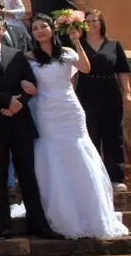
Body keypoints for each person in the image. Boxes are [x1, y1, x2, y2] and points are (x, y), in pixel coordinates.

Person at [25, 14, 128, 239]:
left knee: (79, 151)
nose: (40, 30)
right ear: (32, 33)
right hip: (47, 110)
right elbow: (22, 79)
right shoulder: (29, 57)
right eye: (35, 28)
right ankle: (61, 212)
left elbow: (85, 68)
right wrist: (24, 82)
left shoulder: (67, 53)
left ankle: (91, 210)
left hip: (70, 108)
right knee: (53, 153)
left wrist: (77, 40)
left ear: (52, 29)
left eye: (44, 26)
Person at [0, 13, 58, 240]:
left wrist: (18, 103)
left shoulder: (16, 55)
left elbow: (30, 83)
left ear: (4, 30)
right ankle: (2, 225)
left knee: (28, 175)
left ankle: (38, 224)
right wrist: (7, 101)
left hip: (20, 123)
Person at [78, 9, 130, 191]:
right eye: (88, 20)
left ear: (101, 23)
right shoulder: (79, 44)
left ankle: (116, 178)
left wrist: (127, 92)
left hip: (110, 92)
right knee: (91, 134)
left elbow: (123, 70)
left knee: (113, 136)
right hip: (87, 92)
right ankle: (93, 177)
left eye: (95, 20)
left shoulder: (114, 44)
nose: (92, 23)